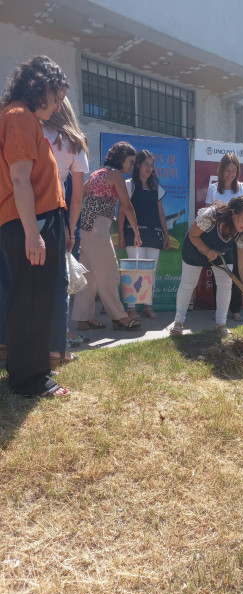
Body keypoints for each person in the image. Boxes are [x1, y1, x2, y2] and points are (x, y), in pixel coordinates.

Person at [0, 55, 69, 397]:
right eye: (56, 96)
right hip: (32, 222)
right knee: (31, 299)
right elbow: (19, 177)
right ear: (39, 87)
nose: (58, 105)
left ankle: (27, 373)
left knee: (32, 298)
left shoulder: (22, 117)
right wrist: (33, 234)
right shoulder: (19, 116)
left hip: (36, 220)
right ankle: (29, 379)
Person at [72, 142, 142, 331]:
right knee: (110, 273)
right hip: (98, 228)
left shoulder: (97, 173)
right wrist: (136, 231)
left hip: (84, 228)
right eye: (131, 162)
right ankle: (120, 317)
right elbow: (126, 206)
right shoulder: (115, 175)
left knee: (88, 276)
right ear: (121, 159)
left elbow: (79, 196)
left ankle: (83, 318)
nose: (132, 166)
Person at [42, 97, 89, 366]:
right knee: (59, 284)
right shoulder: (73, 141)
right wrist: (71, 229)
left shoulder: (34, 131)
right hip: (55, 213)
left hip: (21, 210)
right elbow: (78, 197)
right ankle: (57, 350)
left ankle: (12, 345)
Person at [170, 195, 243, 337]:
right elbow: (193, 236)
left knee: (225, 284)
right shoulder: (210, 216)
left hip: (221, 254)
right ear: (234, 213)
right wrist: (207, 251)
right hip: (195, 249)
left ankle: (221, 324)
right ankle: (178, 323)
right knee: (188, 283)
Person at [117, 149, 170, 320]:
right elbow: (122, 212)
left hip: (154, 234)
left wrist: (166, 235)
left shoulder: (157, 188)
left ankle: (148, 307)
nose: (149, 168)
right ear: (138, 165)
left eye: (151, 165)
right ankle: (131, 309)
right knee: (133, 270)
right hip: (133, 233)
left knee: (150, 272)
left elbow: (161, 214)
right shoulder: (129, 184)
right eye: (145, 164)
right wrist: (121, 235)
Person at [205, 153, 243, 321]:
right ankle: (219, 311)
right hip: (219, 236)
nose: (230, 174)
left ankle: (235, 310)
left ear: (237, 171)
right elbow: (208, 214)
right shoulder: (213, 189)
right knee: (221, 272)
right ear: (221, 171)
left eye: (233, 170)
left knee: (237, 272)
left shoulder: (242, 188)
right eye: (227, 170)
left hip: (237, 236)